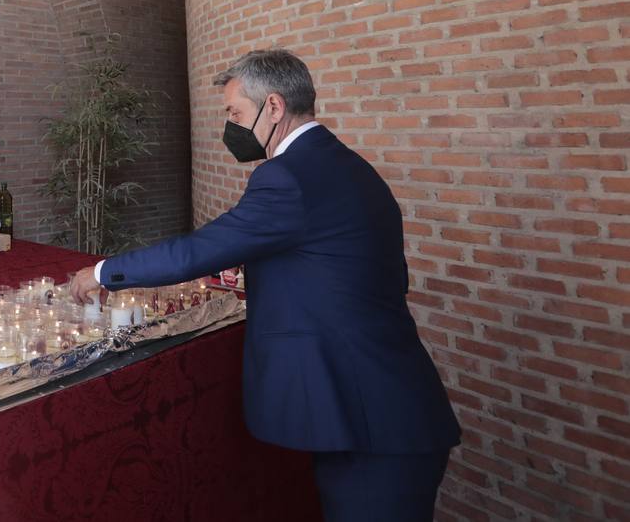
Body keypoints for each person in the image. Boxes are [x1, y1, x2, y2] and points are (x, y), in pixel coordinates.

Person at [69, 48, 460, 522]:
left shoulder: (287, 176)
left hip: (368, 414)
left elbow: (200, 250)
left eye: (236, 112)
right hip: (387, 399)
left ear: (273, 107)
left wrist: (102, 272)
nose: (230, 126)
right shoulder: (346, 163)